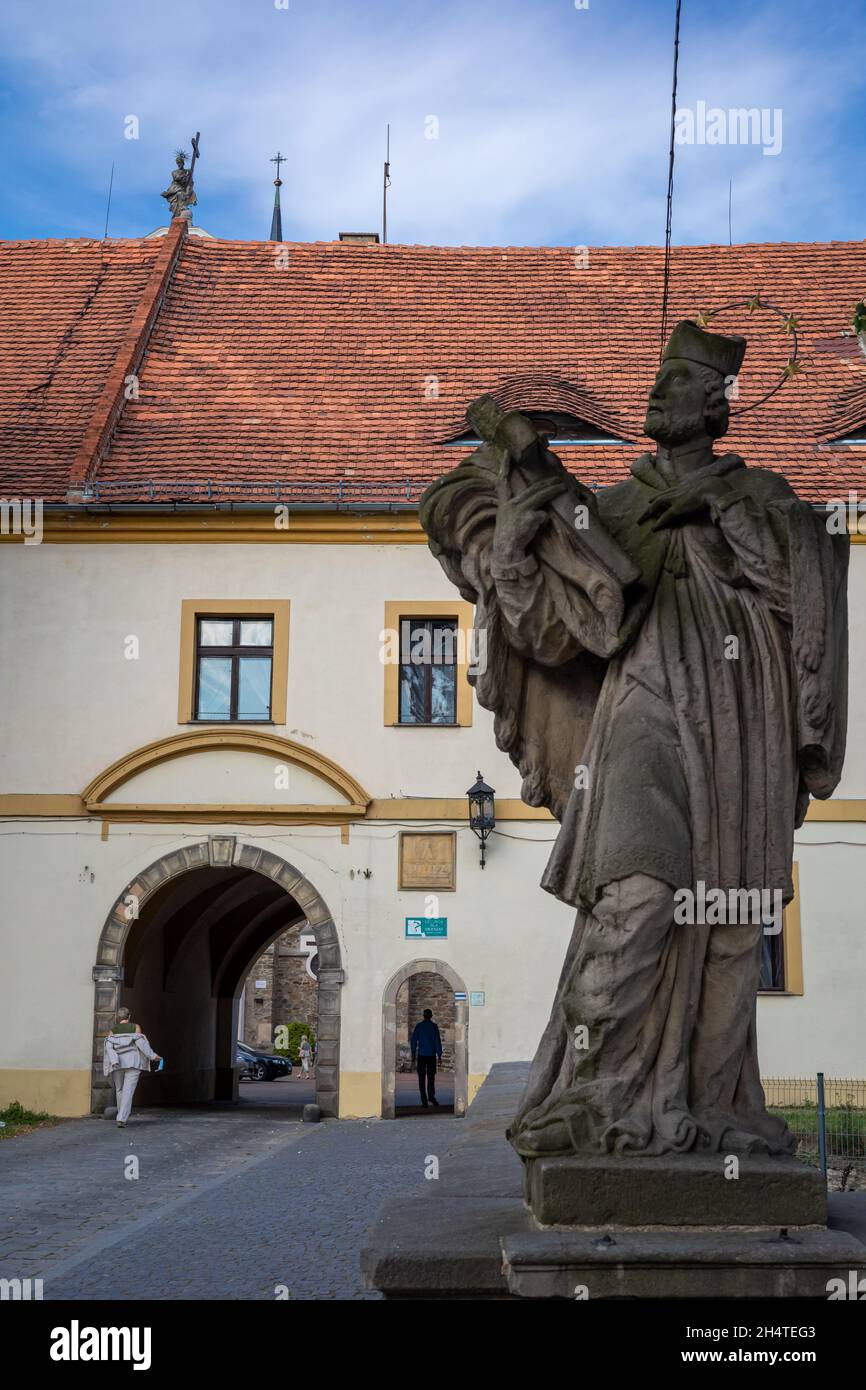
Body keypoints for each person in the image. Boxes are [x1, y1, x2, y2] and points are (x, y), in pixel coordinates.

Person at [103, 1007, 161, 1127]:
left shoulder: (112, 1031)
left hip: (117, 1063)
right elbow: (141, 1044)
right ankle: (122, 1118)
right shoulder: (135, 1027)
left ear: (117, 1017)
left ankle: (121, 1115)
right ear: (129, 1016)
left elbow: (110, 1048)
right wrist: (153, 1056)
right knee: (128, 1091)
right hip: (133, 1062)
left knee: (119, 1090)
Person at [411, 1008, 442, 1108]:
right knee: (431, 1077)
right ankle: (431, 1097)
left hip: (421, 1056)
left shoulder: (419, 1026)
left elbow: (414, 1041)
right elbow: (437, 1041)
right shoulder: (434, 1027)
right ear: (431, 1016)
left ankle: (424, 1100)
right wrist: (439, 1055)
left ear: (423, 1016)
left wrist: (413, 1053)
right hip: (431, 1056)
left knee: (421, 1078)